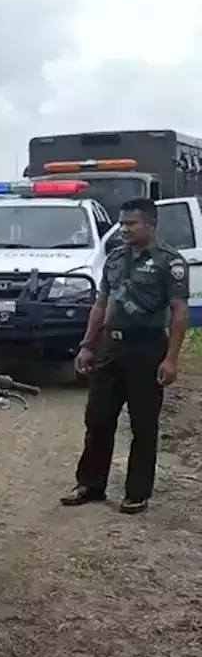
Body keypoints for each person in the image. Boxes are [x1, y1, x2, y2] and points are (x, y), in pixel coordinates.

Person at [62, 197, 189, 514]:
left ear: (150, 225)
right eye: (121, 223)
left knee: (143, 424)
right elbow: (101, 304)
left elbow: (179, 311)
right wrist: (88, 345)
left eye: (131, 223)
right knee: (98, 418)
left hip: (146, 348)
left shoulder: (168, 261)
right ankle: (91, 484)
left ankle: (137, 492)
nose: (123, 229)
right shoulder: (116, 259)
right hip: (110, 346)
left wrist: (171, 358)